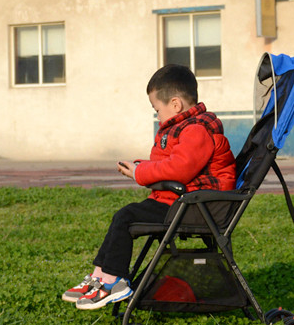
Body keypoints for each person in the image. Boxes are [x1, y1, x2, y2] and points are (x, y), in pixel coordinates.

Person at [62, 64, 236, 310]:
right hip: (182, 202)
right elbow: (169, 164)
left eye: (157, 110)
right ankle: (100, 276)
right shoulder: (186, 128)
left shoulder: (196, 131)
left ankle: (114, 282)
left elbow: (179, 169)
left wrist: (140, 172)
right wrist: (138, 167)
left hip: (195, 207)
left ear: (175, 104)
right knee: (123, 216)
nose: (157, 116)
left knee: (126, 217)